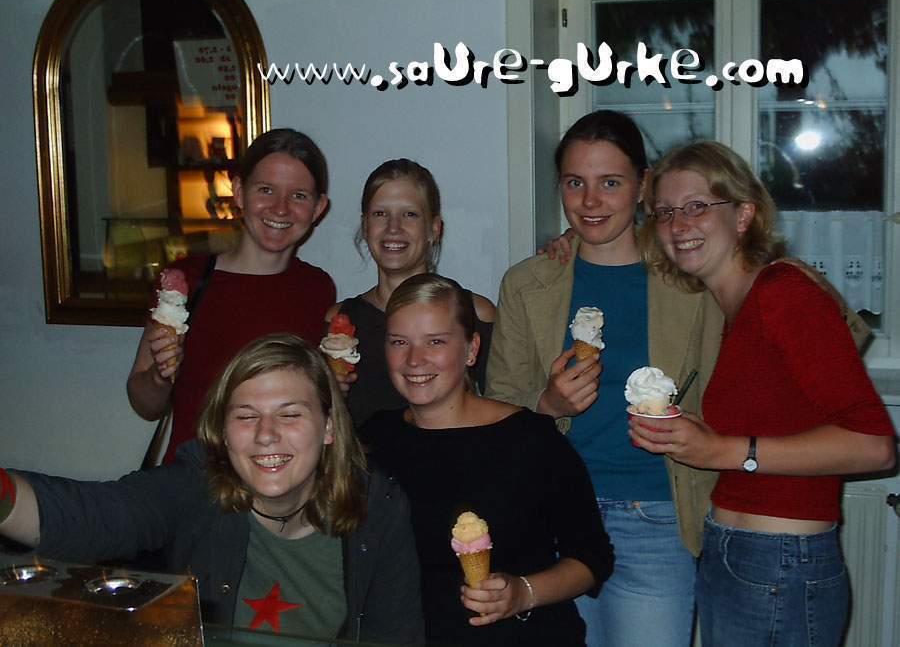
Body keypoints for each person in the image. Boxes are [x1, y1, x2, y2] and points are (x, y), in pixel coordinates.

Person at [635, 140, 896, 646]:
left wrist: (723, 450)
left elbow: (875, 445)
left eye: (696, 206)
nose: (678, 224)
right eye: (665, 212)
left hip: (781, 562)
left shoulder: (784, 294)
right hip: (736, 551)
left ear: (743, 215)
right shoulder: (735, 308)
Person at [1, 334, 424, 643]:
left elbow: (396, 637)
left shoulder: (377, 508)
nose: (266, 434)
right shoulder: (197, 486)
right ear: (222, 432)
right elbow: (95, 515)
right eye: (246, 416)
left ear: (329, 427)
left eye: (290, 414)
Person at [485, 110, 723, 647]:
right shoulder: (527, 283)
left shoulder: (690, 278)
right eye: (575, 183)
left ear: (643, 186)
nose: (590, 201)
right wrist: (545, 404)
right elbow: (497, 407)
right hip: (553, 515)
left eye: (610, 183)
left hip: (657, 516)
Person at [360, 273, 613, 647]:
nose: (414, 359)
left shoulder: (530, 438)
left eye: (435, 341)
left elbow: (592, 557)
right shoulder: (374, 437)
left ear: (471, 349)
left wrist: (523, 592)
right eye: (399, 342)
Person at [128, 129, 336, 464]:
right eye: (265, 190)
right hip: (195, 478)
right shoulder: (187, 279)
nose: (280, 208)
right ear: (239, 192)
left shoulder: (318, 288)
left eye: (298, 195)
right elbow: (144, 405)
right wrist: (160, 376)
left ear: (318, 208)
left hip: (279, 475)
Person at [327, 158, 495, 426]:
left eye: (410, 214)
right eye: (380, 214)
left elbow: (504, 404)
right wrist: (328, 394)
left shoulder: (475, 312)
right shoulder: (340, 320)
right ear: (365, 227)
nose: (393, 227)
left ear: (434, 229)